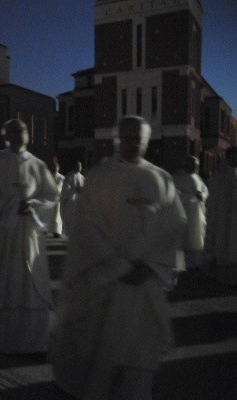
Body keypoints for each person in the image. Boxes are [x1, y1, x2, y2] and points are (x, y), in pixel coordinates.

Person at [50, 116, 187, 400]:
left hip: (144, 284)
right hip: (106, 283)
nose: (131, 142)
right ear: (116, 140)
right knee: (102, 361)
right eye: (125, 137)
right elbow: (86, 226)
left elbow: (173, 227)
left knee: (138, 364)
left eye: (138, 137)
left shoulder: (161, 179)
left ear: (147, 141)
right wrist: (118, 265)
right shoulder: (100, 176)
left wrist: (150, 266)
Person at [0, 118, 58, 354]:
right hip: (2, 237)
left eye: (23, 130)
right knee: (3, 283)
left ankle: (33, 341)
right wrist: (10, 206)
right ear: (5, 136)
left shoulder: (38, 166)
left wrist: (34, 206)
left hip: (28, 236)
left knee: (29, 286)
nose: (19, 135)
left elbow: (51, 196)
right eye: (14, 132)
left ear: (28, 135)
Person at [203, 146, 237, 285]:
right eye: (233, 156)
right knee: (223, 244)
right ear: (228, 158)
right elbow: (214, 198)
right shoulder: (219, 175)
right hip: (223, 217)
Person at [173, 155, 208, 268]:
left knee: (197, 238)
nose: (196, 167)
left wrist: (202, 195)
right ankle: (183, 264)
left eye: (197, 165)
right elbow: (175, 194)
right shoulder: (178, 177)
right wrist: (192, 197)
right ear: (186, 164)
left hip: (197, 213)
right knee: (185, 238)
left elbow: (205, 190)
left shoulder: (197, 177)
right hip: (184, 212)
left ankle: (196, 263)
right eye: (194, 165)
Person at [60, 161, 85, 235]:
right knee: (70, 218)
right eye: (78, 165)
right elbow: (66, 188)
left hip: (79, 201)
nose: (79, 167)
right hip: (71, 200)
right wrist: (74, 189)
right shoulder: (69, 176)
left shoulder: (82, 177)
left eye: (80, 166)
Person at [46, 161, 65, 238]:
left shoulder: (61, 177)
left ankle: (57, 231)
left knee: (57, 215)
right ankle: (48, 229)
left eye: (56, 167)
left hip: (58, 199)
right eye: (53, 167)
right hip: (49, 198)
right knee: (49, 214)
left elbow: (61, 187)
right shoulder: (48, 176)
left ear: (58, 168)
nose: (55, 168)